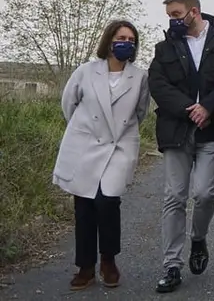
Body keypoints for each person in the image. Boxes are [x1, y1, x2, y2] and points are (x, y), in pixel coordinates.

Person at [149, 0, 214, 293]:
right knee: (174, 197)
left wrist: (209, 107)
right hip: (177, 130)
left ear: (194, 12)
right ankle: (171, 265)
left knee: (204, 194)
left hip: (213, 131)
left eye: (176, 15)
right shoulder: (164, 48)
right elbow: (158, 85)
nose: (172, 21)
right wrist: (191, 109)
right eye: (169, 17)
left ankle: (198, 238)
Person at [53, 20, 150, 291]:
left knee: (107, 202)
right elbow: (68, 104)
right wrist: (84, 131)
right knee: (83, 205)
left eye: (132, 40)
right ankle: (84, 267)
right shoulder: (85, 71)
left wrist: (119, 133)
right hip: (85, 144)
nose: (126, 43)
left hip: (119, 146)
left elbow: (140, 112)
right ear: (109, 41)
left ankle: (108, 260)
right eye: (122, 37)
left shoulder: (140, 76)